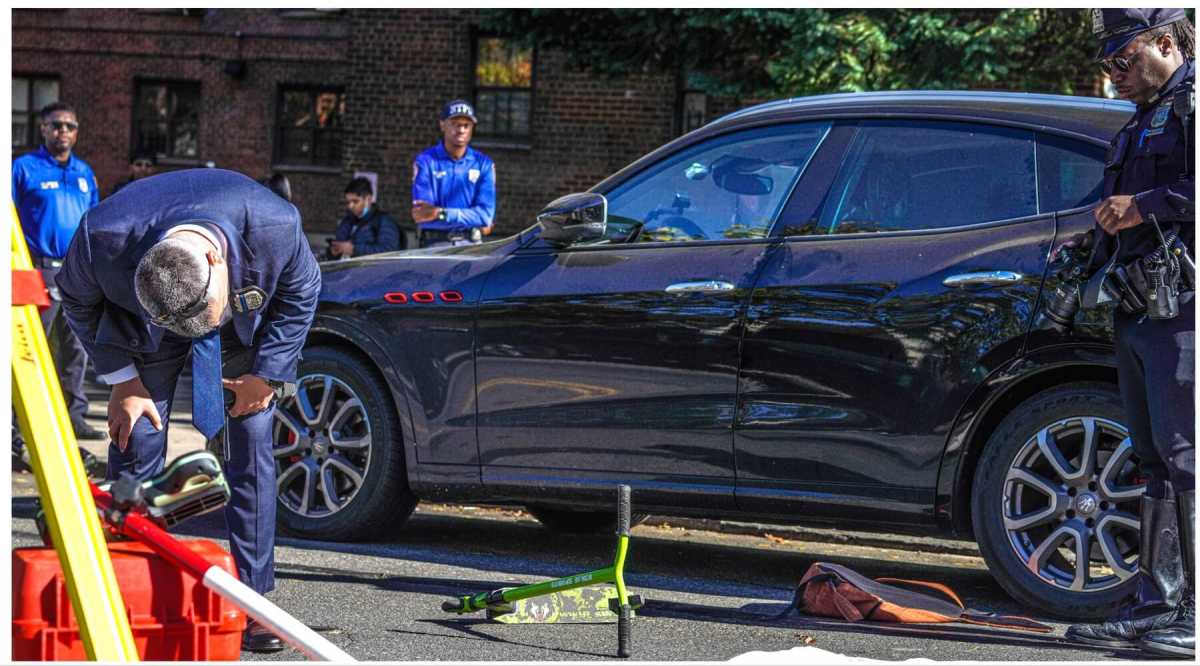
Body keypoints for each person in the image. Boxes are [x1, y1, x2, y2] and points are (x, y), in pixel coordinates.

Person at [56, 168, 321, 653]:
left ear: (215, 259)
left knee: (252, 441)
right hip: (148, 335)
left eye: (198, 317)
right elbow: (75, 299)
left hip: (241, 330)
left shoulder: (276, 225)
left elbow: (302, 293)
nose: (193, 330)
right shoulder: (100, 239)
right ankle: (129, 592)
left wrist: (267, 375)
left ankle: (254, 601)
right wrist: (123, 380)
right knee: (137, 436)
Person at [1066, 9, 1194, 658]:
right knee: (1154, 461)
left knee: (1187, 460)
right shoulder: (1142, 119)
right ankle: (1156, 604)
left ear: (1165, 43)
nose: (1113, 74)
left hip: (1185, 314)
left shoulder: (1192, 107)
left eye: (1122, 59)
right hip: (1141, 308)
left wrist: (1141, 206)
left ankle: (1194, 616)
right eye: (1106, 63)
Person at [11, 101, 105, 450]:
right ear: (43, 129)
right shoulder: (23, 168)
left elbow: (93, 221)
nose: (63, 131)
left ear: (76, 132)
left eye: (69, 126)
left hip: (76, 271)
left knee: (76, 347)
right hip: (37, 269)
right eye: (56, 125)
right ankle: (14, 425)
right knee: (29, 347)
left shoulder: (84, 173)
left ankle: (74, 416)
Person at [411, 99, 496, 247]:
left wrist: (441, 213)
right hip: (434, 245)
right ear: (442, 125)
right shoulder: (426, 161)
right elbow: (423, 214)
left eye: (466, 125)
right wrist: (470, 216)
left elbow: (485, 216)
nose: (461, 130)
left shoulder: (484, 164)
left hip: (471, 245)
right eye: (455, 124)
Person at [329, 177, 405, 258]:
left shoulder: (384, 222)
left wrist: (354, 249)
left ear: (368, 199)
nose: (350, 206)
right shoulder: (347, 221)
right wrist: (333, 251)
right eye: (348, 202)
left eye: (355, 201)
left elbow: (389, 251)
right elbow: (338, 245)